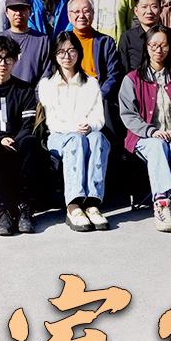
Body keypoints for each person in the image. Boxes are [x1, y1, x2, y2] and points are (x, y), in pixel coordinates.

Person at [119, 26, 171, 233]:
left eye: (164, 45)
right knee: (157, 145)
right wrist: (151, 131)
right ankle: (162, 203)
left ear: (170, 48)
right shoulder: (132, 79)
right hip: (145, 137)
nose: (159, 50)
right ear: (146, 47)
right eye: (154, 45)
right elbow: (128, 115)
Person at [0, 36, 44, 235]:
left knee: (31, 142)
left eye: (8, 58)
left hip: (18, 138)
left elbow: (29, 124)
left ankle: (25, 208)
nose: (2, 63)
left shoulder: (25, 89)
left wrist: (15, 139)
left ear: (16, 60)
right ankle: (3, 212)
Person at [42, 31, 111, 232]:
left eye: (71, 50)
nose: (67, 56)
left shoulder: (91, 82)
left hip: (87, 133)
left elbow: (99, 116)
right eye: (61, 51)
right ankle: (73, 205)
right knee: (76, 140)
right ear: (54, 55)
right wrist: (75, 129)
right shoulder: (47, 84)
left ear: (79, 53)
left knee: (98, 138)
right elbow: (51, 121)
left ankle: (92, 203)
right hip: (59, 137)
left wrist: (90, 127)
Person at [64, 0, 123, 113]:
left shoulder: (106, 42)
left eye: (86, 11)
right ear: (69, 16)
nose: (81, 15)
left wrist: (98, 97)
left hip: (99, 97)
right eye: (76, 12)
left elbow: (113, 74)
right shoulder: (62, 43)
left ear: (93, 14)